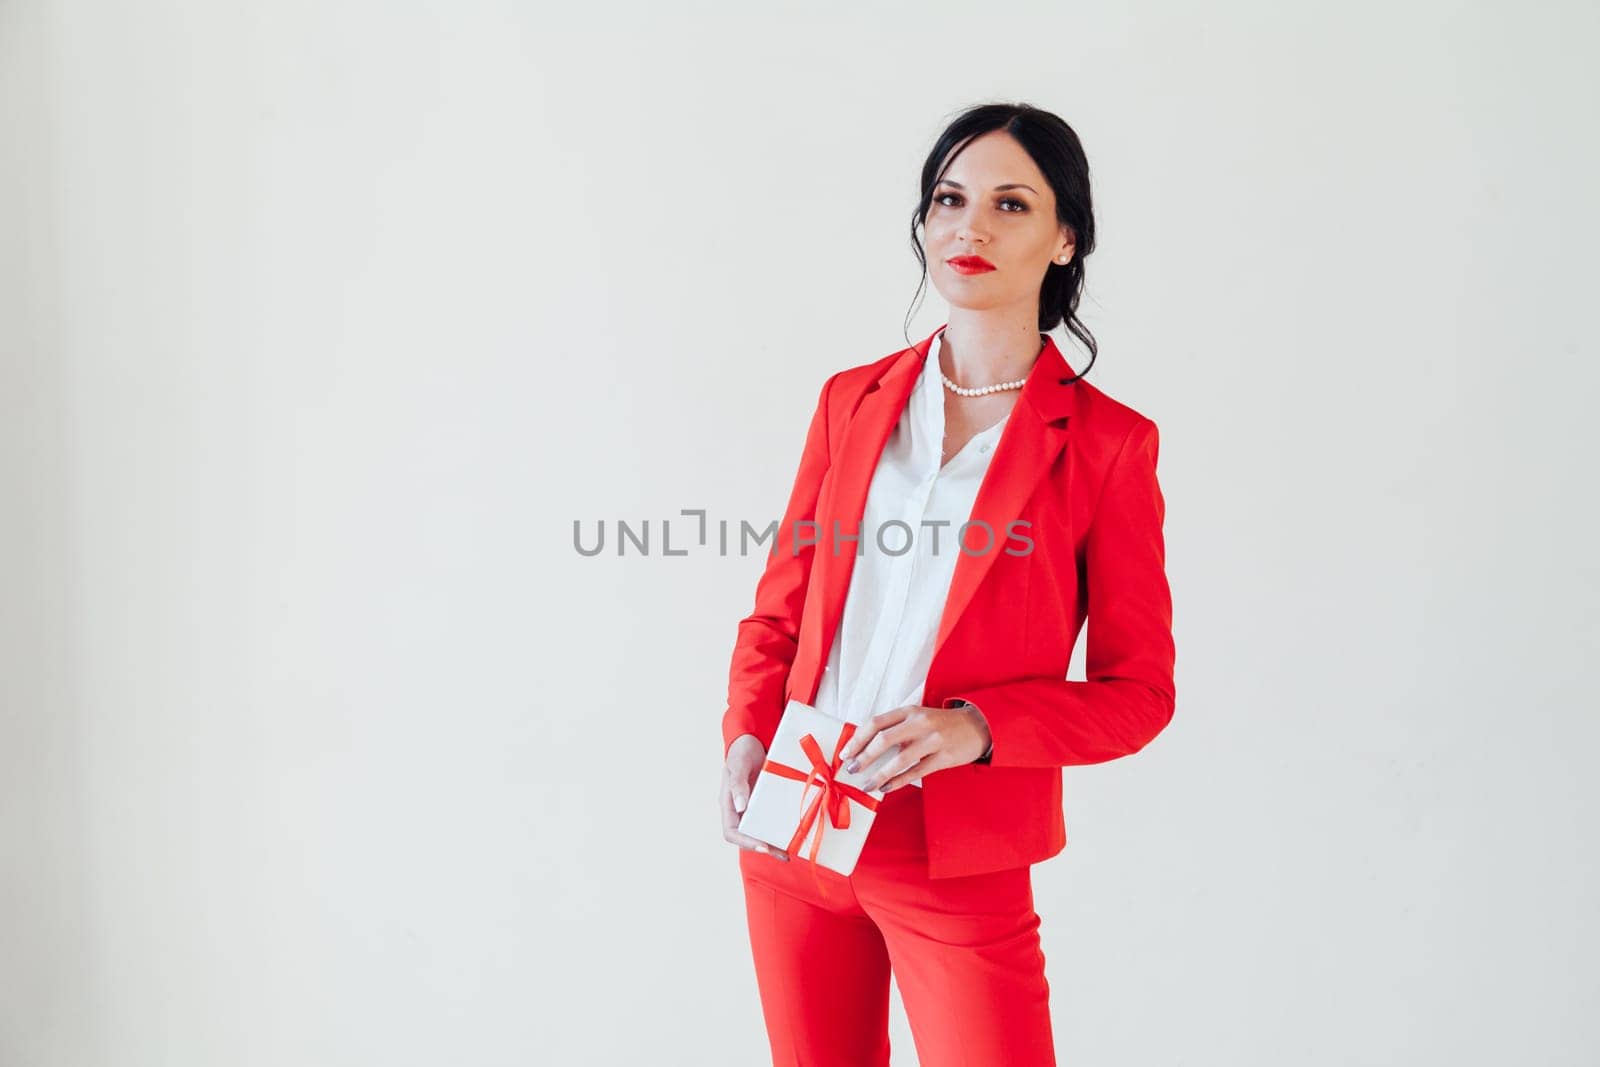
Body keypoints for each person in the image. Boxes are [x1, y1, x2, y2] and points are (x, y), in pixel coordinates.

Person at [716, 102, 1177, 1067]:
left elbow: (1139, 695)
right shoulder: (853, 399)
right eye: (949, 199)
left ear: (1065, 238)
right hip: (796, 819)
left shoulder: (1107, 446)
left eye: (1011, 204)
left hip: (954, 855)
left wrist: (978, 727)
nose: (969, 226)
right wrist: (747, 735)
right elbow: (781, 606)